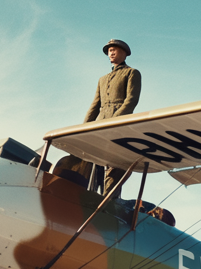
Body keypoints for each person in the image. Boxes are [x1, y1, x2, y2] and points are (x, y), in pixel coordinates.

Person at [59, 39, 142, 197]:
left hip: (118, 124)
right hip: (100, 124)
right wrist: (84, 128)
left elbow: (131, 101)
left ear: (124, 53)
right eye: (109, 50)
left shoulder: (132, 73)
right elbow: (95, 105)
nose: (111, 52)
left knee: (114, 164)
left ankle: (110, 199)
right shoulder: (102, 79)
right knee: (91, 159)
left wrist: (114, 122)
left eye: (114, 49)